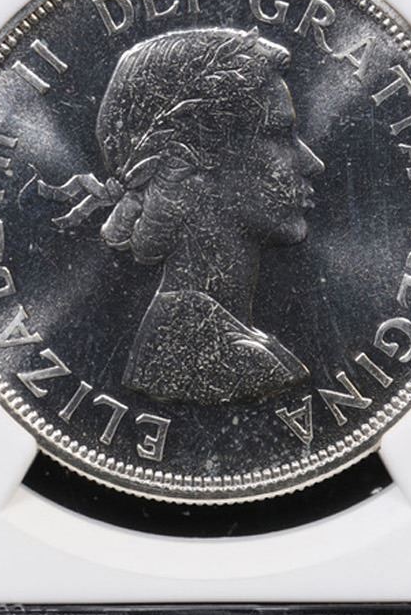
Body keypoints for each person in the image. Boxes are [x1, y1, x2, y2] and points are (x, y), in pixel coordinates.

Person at [38, 27, 324, 405]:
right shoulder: (223, 356)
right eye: (279, 134)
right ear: (190, 163)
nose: (312, 163)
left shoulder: (213, 337)